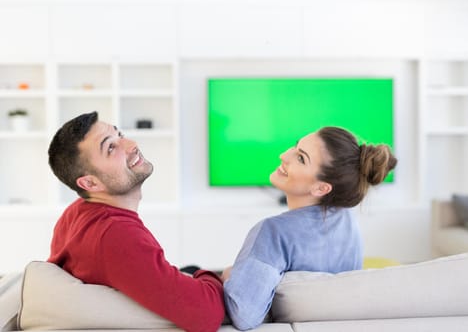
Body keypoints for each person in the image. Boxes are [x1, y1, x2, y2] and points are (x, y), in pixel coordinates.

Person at [47, 111, 224, 332]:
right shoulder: (115, 235)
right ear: (90, 183)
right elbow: (207, 315)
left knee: (189, 270)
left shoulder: (78, 211)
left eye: (119, 134)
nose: (131, 145)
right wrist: (216, 277)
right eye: (110, 147)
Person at [221, 126, 397, 330]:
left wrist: (229, 275)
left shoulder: (273, 232)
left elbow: (244, 315)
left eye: (301, 158)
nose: (284, 155)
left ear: (322, 187)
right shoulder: (348, 221)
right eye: (296, 147)